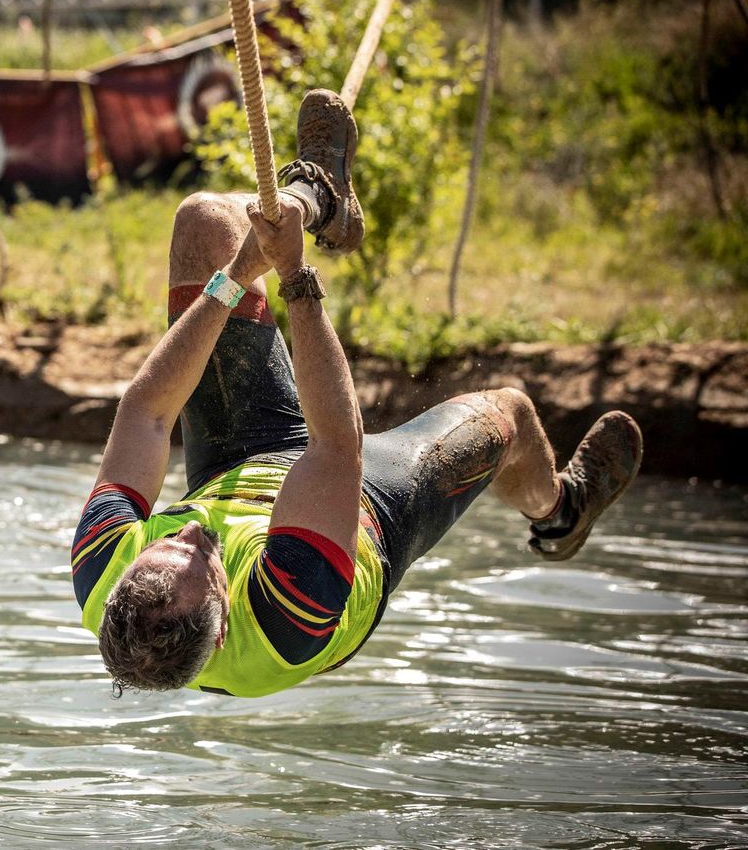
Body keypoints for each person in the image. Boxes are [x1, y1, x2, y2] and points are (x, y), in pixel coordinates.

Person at [71, 89, 643, 698]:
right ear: (222, 622)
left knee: (205, 221)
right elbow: (335, 446)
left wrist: (240, 273)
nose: (183, 533)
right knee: (510, 415)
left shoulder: (104, 571)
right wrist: (293, 276)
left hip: (237, 466)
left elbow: (147, 413)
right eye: (199, 551)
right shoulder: (287, 615)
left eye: (161, 542)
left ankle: (317, 197)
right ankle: (560, 513)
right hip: (367, 510)